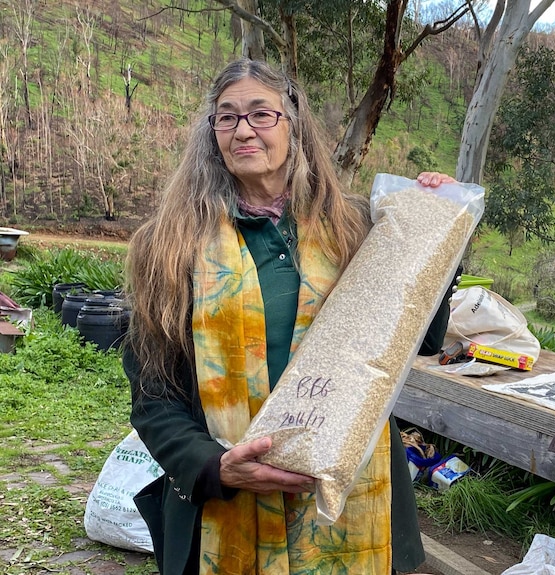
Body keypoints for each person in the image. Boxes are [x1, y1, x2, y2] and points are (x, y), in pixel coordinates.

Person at [123, 57, 457, 575]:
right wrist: (215, 467)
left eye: (262, 114)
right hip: (225, 504)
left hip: (349, 499)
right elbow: (152, 396)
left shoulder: (354, 227)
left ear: (293, 124)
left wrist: (435, 229)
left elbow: (425, 338)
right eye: (227, 117)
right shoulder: (169, 245)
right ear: (212, 133)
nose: (243, 130)